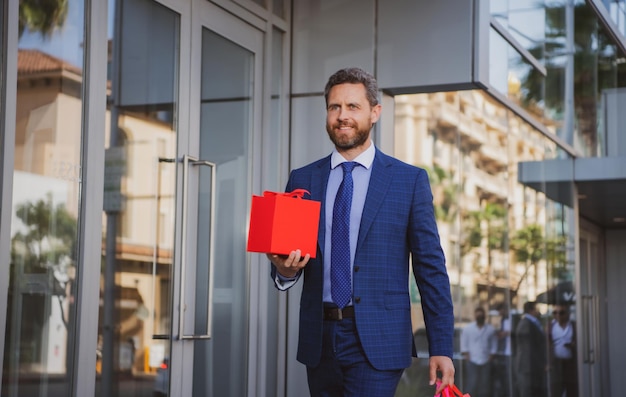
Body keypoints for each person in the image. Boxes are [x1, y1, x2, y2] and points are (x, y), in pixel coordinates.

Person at [267, 67, 455, 396]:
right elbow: (287, 259)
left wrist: (441, 346)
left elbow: (430, 269)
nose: (342, 116)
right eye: (334, 107)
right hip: (320, 338)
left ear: (375, 112)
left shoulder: (408, 181)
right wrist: (283, 270)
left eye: (353, 106)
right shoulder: (303, 179)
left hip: (379, 340)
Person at [460, 307, 496, 397]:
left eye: (481, 315)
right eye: (478, 315)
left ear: (484, 316)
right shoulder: (468, 329)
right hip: (472, 361)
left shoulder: (490, 329)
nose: (480, 317)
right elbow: (464, 344)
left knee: (485, 385)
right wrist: (467, 356)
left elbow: (494, 344)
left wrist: (491, 357)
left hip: (485, 360)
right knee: (472, 383)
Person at [514, 301, 547, 397]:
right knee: (528, 390)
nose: (538, 311)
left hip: (533, 365)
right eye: (536, 308)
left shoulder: (533, 322)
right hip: (528, 365)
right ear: (531, 310)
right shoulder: (525, 324)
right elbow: (529, 348)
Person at [548, 304, 578, 397]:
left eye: (561, 313)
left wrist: (573, 345)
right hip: (556, 364)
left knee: (572, 389)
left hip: (570, 363)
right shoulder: (551, 326)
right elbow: (547, 344)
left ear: (567, 314)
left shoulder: (573, 325)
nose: (558, 315)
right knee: (556, 390)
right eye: (555, 312)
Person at [492, 303, 512, 397]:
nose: (500, 313)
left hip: (511, 351)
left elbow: (513, 331)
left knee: (510, 376)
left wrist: (505, 333)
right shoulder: (503, 320)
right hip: (504, 351)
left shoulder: (512, 319)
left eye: (500, 310)